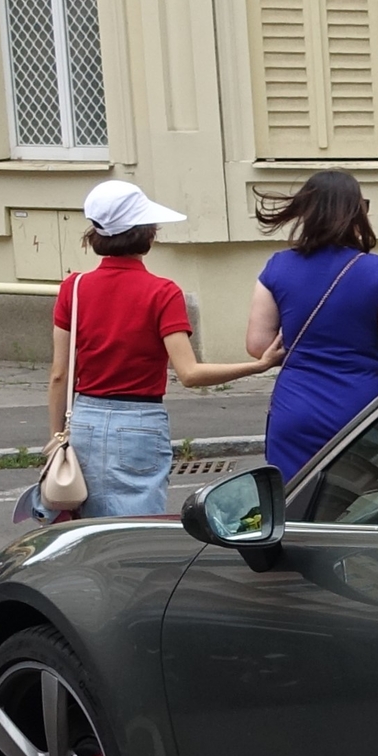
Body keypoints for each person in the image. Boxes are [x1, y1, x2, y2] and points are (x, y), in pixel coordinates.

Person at [47, 181, 281, 518]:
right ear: (147, 234)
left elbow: (59, 374)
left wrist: (57, 436)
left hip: (85, 420)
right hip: (140, 421)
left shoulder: (75, 287)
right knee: (138, 529)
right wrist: (258, 366)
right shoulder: (163, 293)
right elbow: (190, 374)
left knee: (87, 530)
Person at [247, 171, 378, 479]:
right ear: (356, 212)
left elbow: (258, 345)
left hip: (295, 409)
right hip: (360, 410)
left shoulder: (276, 267)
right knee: (357, 509)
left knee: (296, 506)